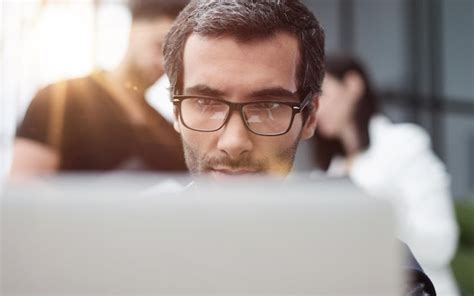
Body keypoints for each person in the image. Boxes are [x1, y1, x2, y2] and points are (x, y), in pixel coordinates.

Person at [161, 1, 436, 294]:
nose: (234, 142)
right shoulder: (127, 245)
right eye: (205, 103)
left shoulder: (376, 268)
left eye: (267, 106)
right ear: (176, 112)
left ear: (311, 117)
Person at [314, 54, 458, 295]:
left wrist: (378, 213)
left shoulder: (404, 144)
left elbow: (441, 244)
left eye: (322, 93)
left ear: (352, 85)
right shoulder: (331, 169)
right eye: (309, 100)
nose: (316, 108)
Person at [10, 0, 189, 176]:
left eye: (172, 58)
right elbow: (24, 191)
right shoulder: (58, 101)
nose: (163, 64)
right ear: (133, 31)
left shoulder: (167, 131)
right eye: (159, 47)